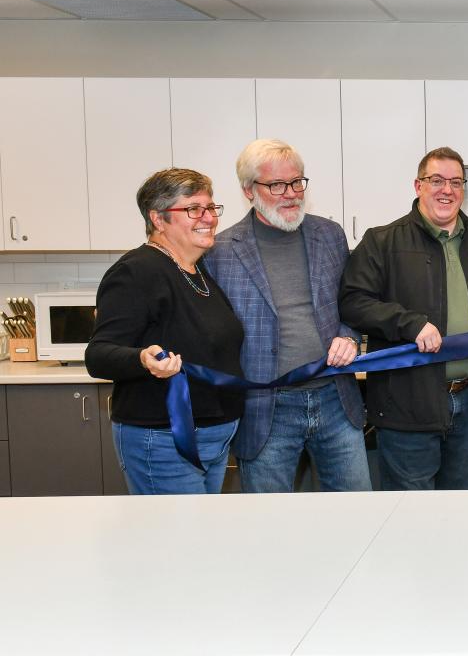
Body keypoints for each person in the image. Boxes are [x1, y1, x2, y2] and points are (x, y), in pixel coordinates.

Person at [339, 147, 468, 490]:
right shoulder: (382, 241)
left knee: (457, 505)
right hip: (406, 405)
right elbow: (353, 302)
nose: (446, 190)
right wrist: (410, 323)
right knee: (408, 509)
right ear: (418, 185)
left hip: (467, 404)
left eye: (456, 182)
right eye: (436, 180)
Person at [202, 139, 370, 493]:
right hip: (266, 409)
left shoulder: (330, 235)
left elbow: (353, 301)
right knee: (270, 518)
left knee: (357, 511)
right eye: (277, 185)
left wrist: (348, 335)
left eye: (296, 182)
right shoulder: (219, 252)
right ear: (249, 190)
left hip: (335, 399)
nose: (291, 193)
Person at [86, 168, 244, 494]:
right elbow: (98, 355)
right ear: (158, 219)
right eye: (193, 209)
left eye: (210, 207)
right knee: (180, 529)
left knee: (201, 526)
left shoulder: (196, 270)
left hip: (213, 435)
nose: (209, 218)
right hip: (165, 439)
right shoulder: (136, 271)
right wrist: (142, 358)